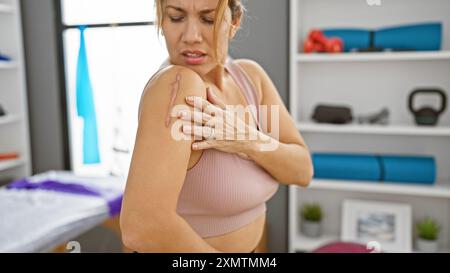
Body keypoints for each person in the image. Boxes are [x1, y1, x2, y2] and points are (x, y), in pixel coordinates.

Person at [120, 0, 314, 253]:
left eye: (208, 19)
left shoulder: (250, 78)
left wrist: (247, 139)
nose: (190, 36)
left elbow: (301, 171)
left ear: (234, 23)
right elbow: (141, 228)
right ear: (161, 21)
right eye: (176, 18)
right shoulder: (178, 86)